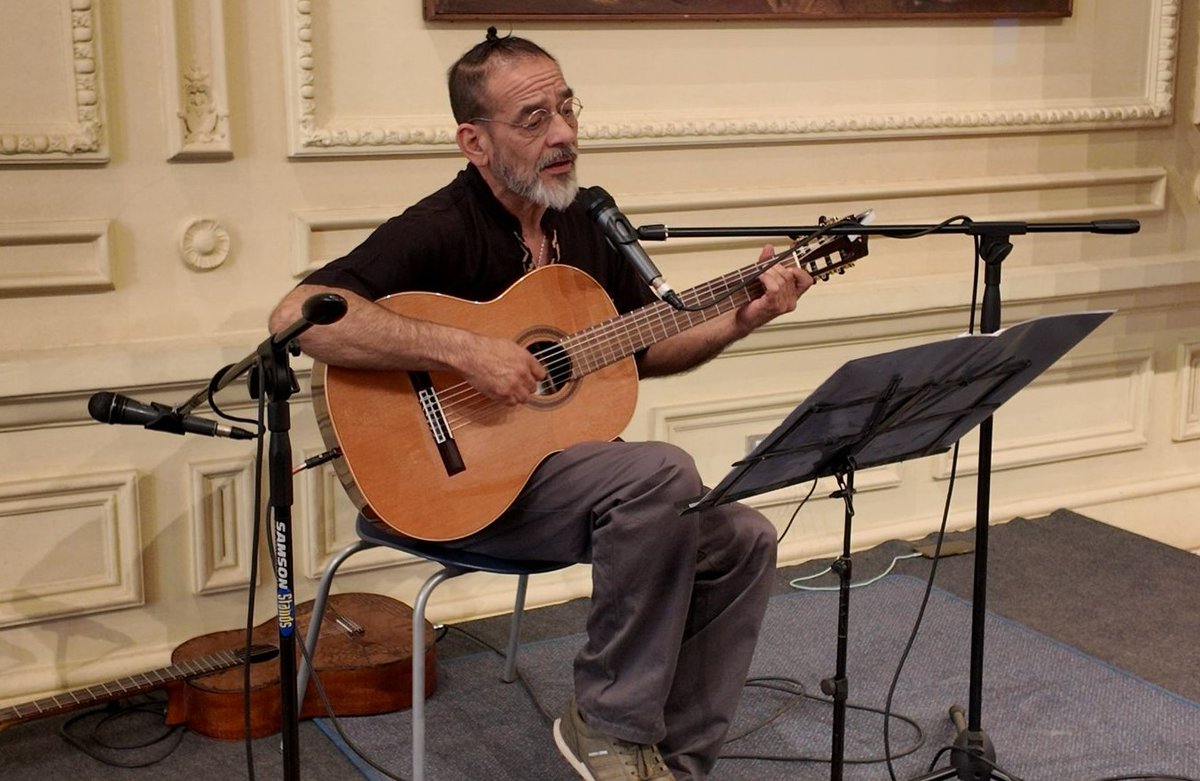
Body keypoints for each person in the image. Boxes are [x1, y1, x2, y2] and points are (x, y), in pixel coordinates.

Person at [269, 28, 814, 781]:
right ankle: (607, 722)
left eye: (566, 109)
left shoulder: (584, 222)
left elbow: (643, 350)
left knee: (743, 536)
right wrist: (464, 350)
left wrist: (745, 315)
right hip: (455, 489)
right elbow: (300, 314)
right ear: (476, 140)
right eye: (533, 119)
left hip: (558, 481)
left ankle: (669, 766)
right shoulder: (440, 228)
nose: (563, 134)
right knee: (659, 471)